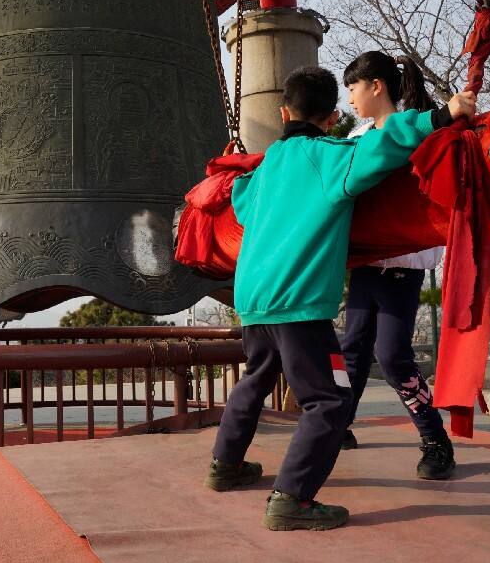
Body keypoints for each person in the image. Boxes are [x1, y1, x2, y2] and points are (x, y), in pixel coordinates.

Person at [203, 65, 475, 531]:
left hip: (253, 301)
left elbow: (242, 202)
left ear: (284, 111)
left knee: (256, 376)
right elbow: (383, 144)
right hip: (300, 303)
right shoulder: (330, 158)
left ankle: (225, 465)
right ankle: (292, 498)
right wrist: (442, 115)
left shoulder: (266, 167)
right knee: (330, 401)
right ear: (331, 118)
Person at [336, 51, 454, 480]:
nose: (349, 98)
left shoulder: (414, 130)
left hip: (402, 260)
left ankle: (435, 439)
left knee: (392, 355)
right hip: (369, 260)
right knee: (351, 351)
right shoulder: (359, 138)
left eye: (352, 88)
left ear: (375, 86)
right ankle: (338, 425)